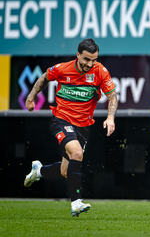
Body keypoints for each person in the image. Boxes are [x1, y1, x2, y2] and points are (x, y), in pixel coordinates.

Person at [24, 38, 118, 217]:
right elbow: (44, 77)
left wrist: (110, 117)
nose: (90, 64)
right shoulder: (62, 68)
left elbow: (112, 97)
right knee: (77, 153)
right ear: (78, 55)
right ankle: (76, 203)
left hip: (83, 126)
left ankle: (39, 170)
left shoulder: (100, 72)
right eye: (86, 59)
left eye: (94, 60)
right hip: (61, 120)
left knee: (66, 171)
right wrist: (30, 97)